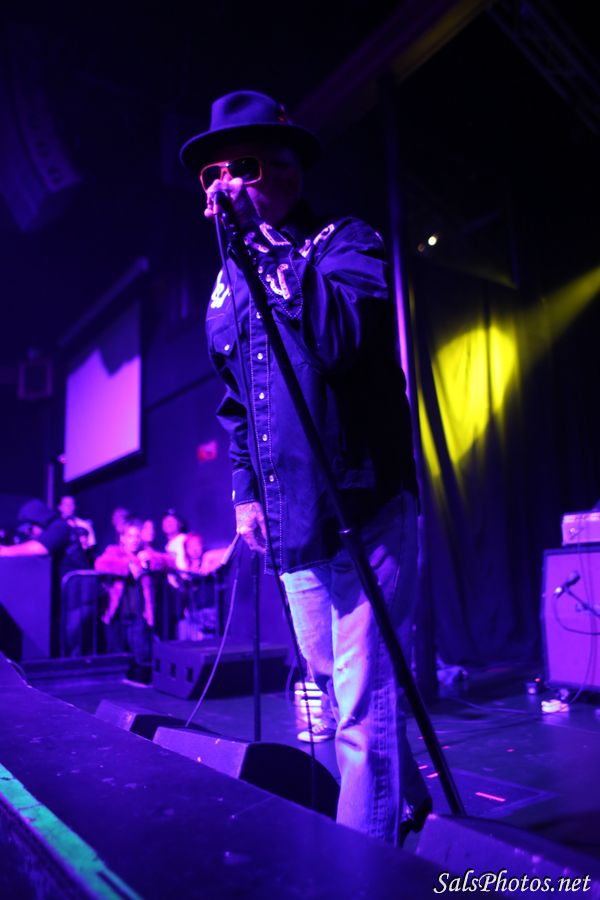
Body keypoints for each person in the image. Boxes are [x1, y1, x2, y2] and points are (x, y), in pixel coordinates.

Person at [179, 90, 431, 845]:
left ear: (289, 170)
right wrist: (244, 495)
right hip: (291, 518)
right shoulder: (227, 285)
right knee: (333, 683)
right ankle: (407, 808)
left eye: (246, 167)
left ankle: (362, 870)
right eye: (215, 173)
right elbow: (237, 404)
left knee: (359, 708)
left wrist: (266, 247)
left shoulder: (344, 242)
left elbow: (343, 338)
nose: (227, 184)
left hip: (362, 507)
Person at [94, 518, 172, 673]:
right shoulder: (114, 551)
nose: (134, 540)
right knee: (116, 658)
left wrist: (150, 562)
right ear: (122, 538)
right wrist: (129, 566)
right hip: (115, 615)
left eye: (137, 536)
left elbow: (169, 561)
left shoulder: (147, 553)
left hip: (139, 616)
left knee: (141, 658)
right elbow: (100, 563)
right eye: (130, 536)